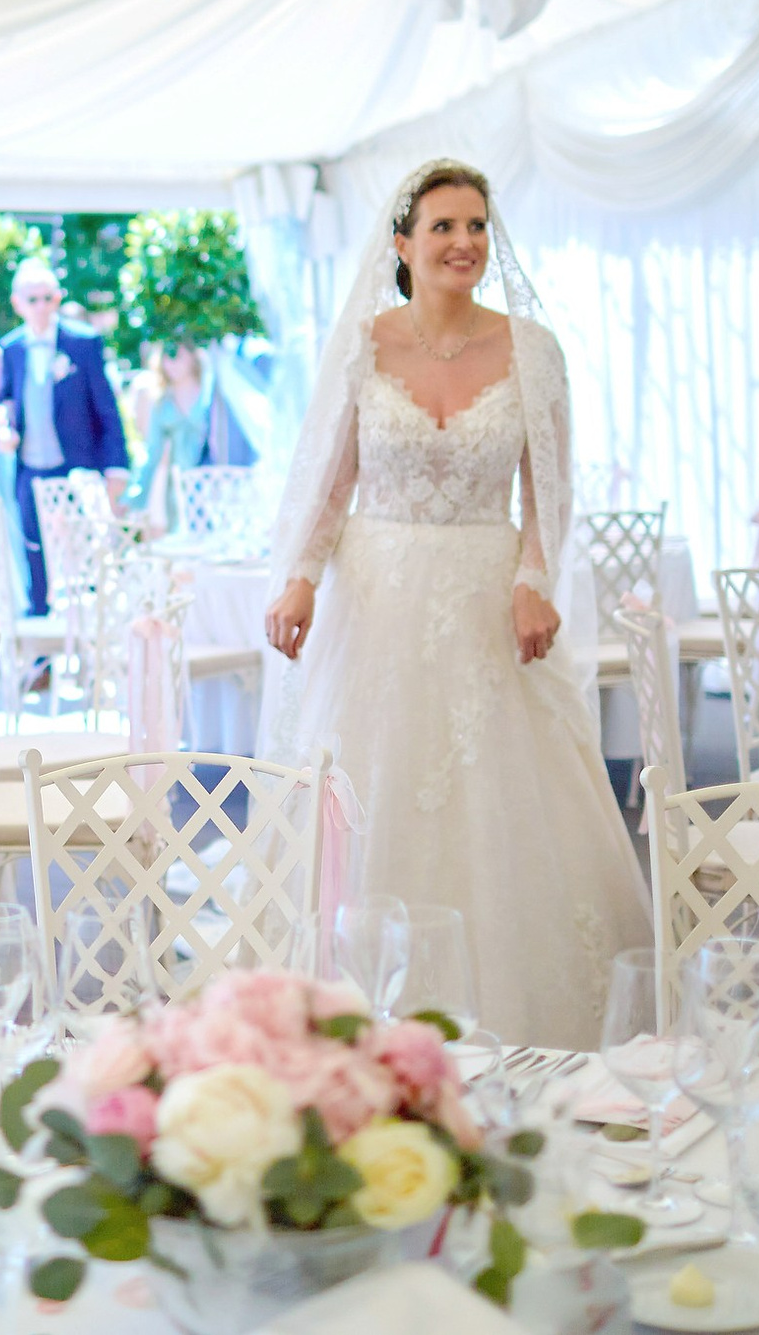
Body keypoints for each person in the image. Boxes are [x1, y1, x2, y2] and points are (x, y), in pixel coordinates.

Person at [261, 158, 647, 1050]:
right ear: (403, 243)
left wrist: (534, 582)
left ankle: (518, 1020)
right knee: (373, 782)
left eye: (476, 226)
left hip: (487, 595)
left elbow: (552, 489)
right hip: (378, 598)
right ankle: (356, 1013)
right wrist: (301, 575)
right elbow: (329, 481)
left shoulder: (533, 350)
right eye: (443, 227)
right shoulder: (363, 344)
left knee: (504, 800)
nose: (463, 243)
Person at [0, 258, 128, 616]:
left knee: (85, 556)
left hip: (77, 467)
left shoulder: (83, 343)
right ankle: (44, 657)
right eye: (32, 299)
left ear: (58, 299)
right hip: (31, 470)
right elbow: (7, 399)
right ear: (18, 303)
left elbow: (107, 410)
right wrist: (4, 423)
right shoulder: (13, 348)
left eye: (48, 298)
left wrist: (116, 468)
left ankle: (92, 636)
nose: (41, 306)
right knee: (35, 552)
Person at [123, 342, 257, 523]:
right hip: (180, 489)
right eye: (166, 357)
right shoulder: (162, 401)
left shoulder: (211, 392)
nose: (171, 364)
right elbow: (152, 451)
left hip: (215, 484)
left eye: (176, 355)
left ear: (192, 355)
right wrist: (134, 494)